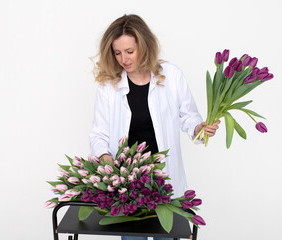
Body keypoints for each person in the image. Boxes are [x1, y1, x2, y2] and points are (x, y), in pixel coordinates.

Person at [89, 14, 220, 240]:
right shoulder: (108, 86)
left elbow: (188, 116)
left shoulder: (171, 75)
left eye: (129, 51)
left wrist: (199, 127)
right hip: (127, 186)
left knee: (167, 235)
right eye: (117, 53)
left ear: (145, 45)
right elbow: (98, 133)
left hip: (164, 182)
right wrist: (105, 157)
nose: (123, 59)